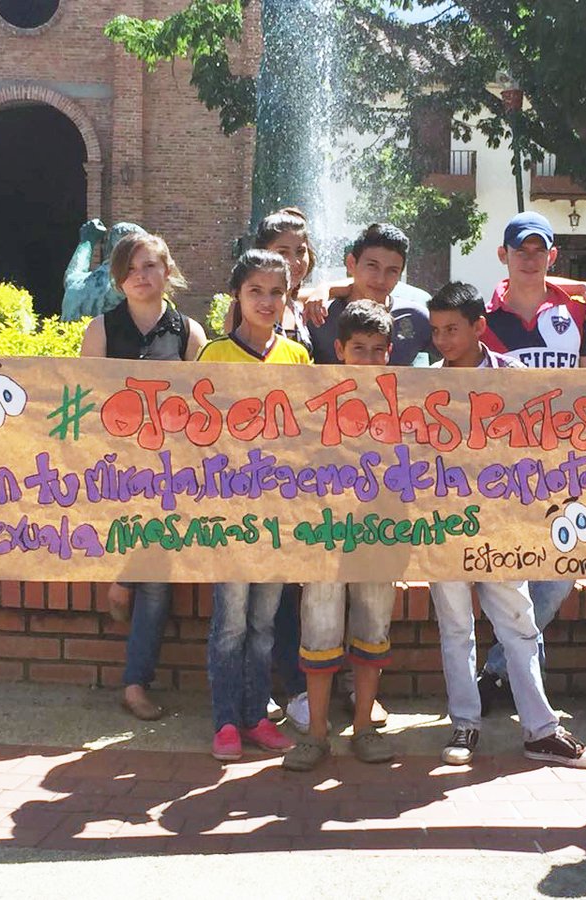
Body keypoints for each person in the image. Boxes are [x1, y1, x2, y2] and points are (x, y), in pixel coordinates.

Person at [426, 281, 586, 769]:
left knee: (519, 622)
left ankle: (541, 730)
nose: (442, 341)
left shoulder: (517, 378)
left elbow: (548, 443)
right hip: (443, 525)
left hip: (503, 525)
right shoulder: (420, 384)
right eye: (436, 330)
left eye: (452, 330)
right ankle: (464, 724)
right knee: (455, 625)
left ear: (480, 327)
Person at [476, 211, 586, 714]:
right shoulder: (484, 316)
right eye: (519, 249)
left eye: (539, 250)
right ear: (503, 255)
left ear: (552, 256)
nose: (529, 258)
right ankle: (519, 678)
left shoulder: (579, 312)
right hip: (504, 468)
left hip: (564, 464)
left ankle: (498, 671)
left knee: (562, 570)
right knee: (512, 574)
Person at [79, 231, 207, 721]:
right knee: (154, 573)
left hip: (168, 472)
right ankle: (127, 589)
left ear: (167, 271)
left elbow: (200, 408)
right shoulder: (101, 330)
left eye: (150, 265)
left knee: (155, 579)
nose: (141, 276)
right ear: (118, 277)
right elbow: (84, 401)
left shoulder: (188, 332)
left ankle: (134, 676)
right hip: (115, 471)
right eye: (131, 268)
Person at [197, 249, 308, 760]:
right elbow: (193, 435)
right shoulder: (215, 356)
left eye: (276, 292)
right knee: (232, 622)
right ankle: (224, 721)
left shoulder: (297, 357)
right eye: (255, 291)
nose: (267, 301)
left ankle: (256, 715)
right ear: (237, 295)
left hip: (280, 517)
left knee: (264, 623)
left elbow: (310, 435)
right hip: (229, 516)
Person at [283, 300, 398, 771]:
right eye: (358, 349)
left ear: (389, 353)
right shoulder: (315, 402)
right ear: (339, 349)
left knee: (373, 629)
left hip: (381, 537)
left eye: (376, 350)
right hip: (325, 537)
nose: (367, 359)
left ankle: (365, 727)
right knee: (320, 631)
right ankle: (315, 735)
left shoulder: (405, 401)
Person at [252, 207, 317, 727]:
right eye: (282, 251)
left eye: (300, 251)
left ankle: (296, 685)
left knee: (293, 582)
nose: (292, 260)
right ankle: (271, 687)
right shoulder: (247, 316)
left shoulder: (309, 308)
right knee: (261, 587)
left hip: (302, 468)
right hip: (255, 471)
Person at [304, 222, 433, 366]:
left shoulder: (416, 318)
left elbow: (458, 354)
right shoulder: (319, 316)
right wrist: (325, 288)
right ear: (351, 263)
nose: (380, 279)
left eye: (392, 270)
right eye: (372, 266)